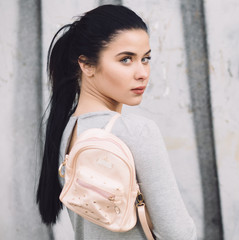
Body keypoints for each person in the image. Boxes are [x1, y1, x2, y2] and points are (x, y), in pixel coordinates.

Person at [36, 5, 197, 240]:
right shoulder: (136, 132)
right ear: (87, 65)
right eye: (126, 60)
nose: (142, 72)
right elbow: (179, 234)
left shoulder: (64, 130)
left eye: (146, 58)